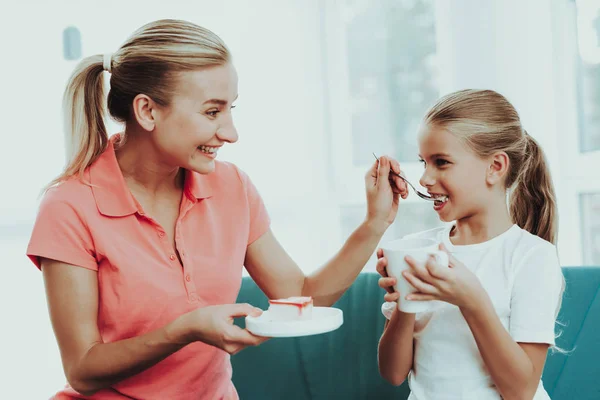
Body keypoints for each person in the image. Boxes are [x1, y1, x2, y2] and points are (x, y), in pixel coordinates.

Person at [26, 19, 408, 400]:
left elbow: (299, 295)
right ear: (147, 111)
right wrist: (184, 329)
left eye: (230, 110)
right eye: (212, 112)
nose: (231, 133)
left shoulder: (231, 187)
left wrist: (374, 223)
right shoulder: (69, 207)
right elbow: (82, 370)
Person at [376, 89, 565, 400]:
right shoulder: (415, 250)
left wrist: (471, 299)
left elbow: (520, 391)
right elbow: (393, 374)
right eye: (424, 162)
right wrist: (404, 300)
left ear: (495, 167)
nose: (424, 178)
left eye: (442, 162)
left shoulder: (532, 257)